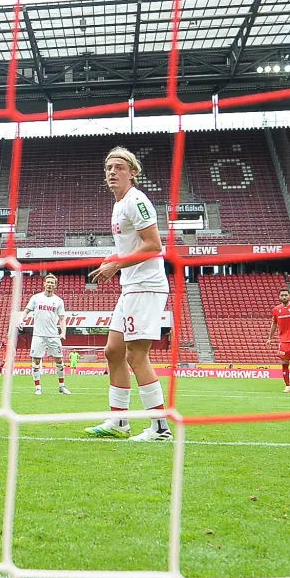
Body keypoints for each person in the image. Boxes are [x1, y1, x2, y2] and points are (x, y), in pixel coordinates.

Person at [86, 147, 173, 441]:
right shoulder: (119, 204)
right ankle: (120, 421)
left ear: (133, 172)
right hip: (131, 285)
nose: (112, 172)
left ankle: (160, 428)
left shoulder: (137, 201)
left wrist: (116, 266)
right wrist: (114, 259)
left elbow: (153, 245)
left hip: (146, 285)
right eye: (109, 167)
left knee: (137, 355)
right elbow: (132, 246)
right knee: (113, 352)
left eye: (119, 167)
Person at [26, 273, 71, 395]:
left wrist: (63, 333)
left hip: (53, 335)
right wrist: (21, 319)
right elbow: (26, 310)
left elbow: (62, 318)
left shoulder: (58, 301)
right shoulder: (36, 298)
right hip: (38, 335)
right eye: (48, 282)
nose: (50, 284)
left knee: (59, 360)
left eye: (53, 283)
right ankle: (38, 388)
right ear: (44, 284)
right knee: (36, 361)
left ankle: (62, 386)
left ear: (55, 286)